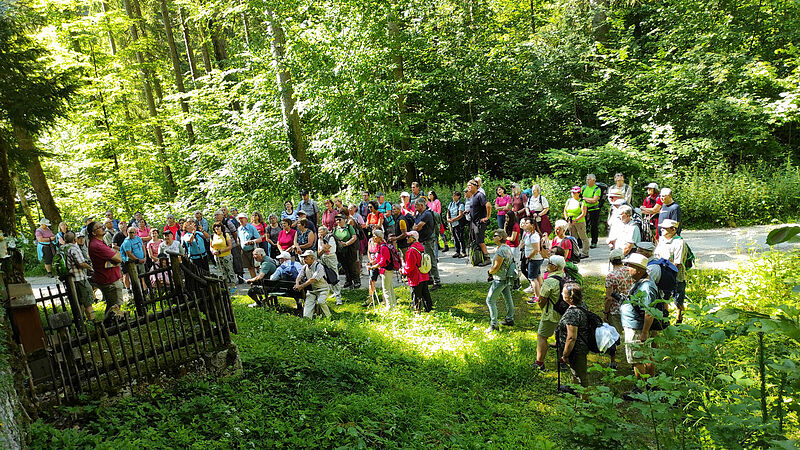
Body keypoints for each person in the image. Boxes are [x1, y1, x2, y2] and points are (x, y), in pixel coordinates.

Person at [620, 252, 659, 383]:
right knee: (646, 355)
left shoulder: (646, 287)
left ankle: (641, 389)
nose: (627, 268)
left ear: (639, 270)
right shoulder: (641, 282)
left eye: (630, 266)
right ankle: (650, 383)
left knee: (637, 359)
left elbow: (649, 312)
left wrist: (644, 332)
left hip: (637, 328)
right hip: (636, 325)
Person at [86, 221, 124, 326]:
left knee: (114, 304)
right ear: (93, 233)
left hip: (111, 277)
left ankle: (112, 323)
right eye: (99, 227)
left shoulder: (100, 242)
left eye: (102, 226)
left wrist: (115, 253)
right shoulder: (97, 245)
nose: (103, 228)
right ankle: (108, 325)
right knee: (114, 305)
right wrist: (116, 253)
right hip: (109, 279)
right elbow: (118, 258)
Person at [557, 282, 592, 389]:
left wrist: (565, 354)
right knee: (575, 370)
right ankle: (574, 389)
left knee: (581, 374)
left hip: (576, 349)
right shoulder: (582, 305)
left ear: (569, 297)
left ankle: (584, 400)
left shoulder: (572, 314)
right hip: (581, 346)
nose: (562, 294)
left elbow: (572, 337)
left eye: (563, 293)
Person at [533, 255, 566, 371]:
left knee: (542, 336)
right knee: (563, 337)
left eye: (549, 263)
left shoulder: (549, 282)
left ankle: (539, 363)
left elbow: (542, 300)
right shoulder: (565, 276)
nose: (547, 265)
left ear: (554, 267)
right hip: (564, 313)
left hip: (551, 314)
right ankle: (563, 361)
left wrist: (541, 307)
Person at [604, 248, 632, 369]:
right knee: (631, 335)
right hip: (630, 307)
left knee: (613, 335)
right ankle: (634, 361)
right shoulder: (631, 271)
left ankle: (613, 361)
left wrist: (605, 312)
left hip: (616, 309)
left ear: (611, 261)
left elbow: (609, 298)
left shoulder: (611, 276)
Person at [655, 219, 687, 323]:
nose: (662, 229)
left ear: (673, 229)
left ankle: (679, 320)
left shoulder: (679, 242)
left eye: (665, 228)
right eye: (662, 227)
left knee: (678, 300)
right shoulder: (662, 240)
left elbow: (677, 263)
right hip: (663, 275)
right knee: (664, 297)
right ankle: (665, 319)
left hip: (676, 276)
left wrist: (666, 272)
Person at [484, 229, 516, 333]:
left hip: (500, 279)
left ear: (500, 237)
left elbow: (496, 267)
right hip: (506, 277)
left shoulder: (501, 251)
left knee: (490, 300)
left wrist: (490, 272)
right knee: (508, 297)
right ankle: (510, 319)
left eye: (495, 235)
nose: (493, 237)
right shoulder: (506, 247)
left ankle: (494, 325)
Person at [63, 231, 96, 321]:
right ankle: (93, 321)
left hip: (69, 280)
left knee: (78, 301)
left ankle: (81, 321)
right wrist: (90, 268)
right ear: (75, 239)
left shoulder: (61, 248)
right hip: (79, 278)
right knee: (88, 301)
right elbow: (81, 263)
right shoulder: (73, 248)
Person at [412, 198, 442, 290]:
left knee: (431, 260)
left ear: (422, 205)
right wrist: (416, 227)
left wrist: (416, 227)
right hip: (422, 240)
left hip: (428, 240)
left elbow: (417, 227)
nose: (415, 206)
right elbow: (415, 226)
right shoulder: (418, 214)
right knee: (423, 261)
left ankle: (437, 282)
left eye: (416, 205)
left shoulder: (427, 214)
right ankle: (429, 279)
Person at [294, 250, 332, 319]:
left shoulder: (319, 266)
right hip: (312, 291)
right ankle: (307, 319)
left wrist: (301, 286)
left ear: (312, 258)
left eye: (306, 258)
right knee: (308, 304)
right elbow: (299, 276)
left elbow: (313, 279)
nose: (304, 260)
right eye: (304, 258)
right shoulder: (305, 266)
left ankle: (328, 317)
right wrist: (297, 284)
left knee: (321, 302)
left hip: (323, 289)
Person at [401, 231, 432, 312]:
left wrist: (403, 271)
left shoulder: (411, 251)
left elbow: (409, 266)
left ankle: (416, 311)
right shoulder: (420, 247)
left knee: (416, 295)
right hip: (424, 274)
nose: (406, 238)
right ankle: (429, 309)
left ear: (413, 239)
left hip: (415, 277)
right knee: (425, 294)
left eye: (408, 237)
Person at [367, 230, 396, 310]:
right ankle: (393, 304)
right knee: (389, 287)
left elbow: (383, 261)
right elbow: (379, 259)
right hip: (386, 270)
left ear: (379, 238)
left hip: (386, 270)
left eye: (374, 236)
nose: (373, 238)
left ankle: (389, 307)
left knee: (386, 289)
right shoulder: (381, 246)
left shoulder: (383, 247)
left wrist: (373, 267)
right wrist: (372, 263)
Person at [467, 179, 492, 264]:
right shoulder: (473, 196)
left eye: (469, 185)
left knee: (480, 241)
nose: (468, 187)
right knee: (476, 240)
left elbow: (488, 205)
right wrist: (468, 211)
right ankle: (478, 258)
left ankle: (487, 258)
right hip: (474, 222)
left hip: (479, 223)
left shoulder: (480, 195)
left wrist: (487, 217)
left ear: (475, 185)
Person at [317, 226, 343, 305]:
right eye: (318, 231)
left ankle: (339, 298)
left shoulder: (330, 237)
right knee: (327, 277)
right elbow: (319, 252)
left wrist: (322, 244)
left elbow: (326, 248)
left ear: (325, 231)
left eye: (321, 231)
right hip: (323, 258)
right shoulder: (320, 239)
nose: (319, 233)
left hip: (331, 258)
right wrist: (322, 245)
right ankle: (334, 292)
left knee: (334, 276)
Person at [334, 214, 360, 289]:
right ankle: (348, 280)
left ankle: (356, 281)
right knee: (344, 266)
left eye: (339, 219)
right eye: (336, 220)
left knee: (352, 265)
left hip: (350, 250)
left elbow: (354, 237)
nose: (338, 221)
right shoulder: (335, 229)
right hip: (340, 250)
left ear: (344, 220)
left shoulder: (349, 227)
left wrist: (346, 243)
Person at [563, 186, 589, 258]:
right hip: (570, 222)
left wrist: (575, 220)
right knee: (572, 238)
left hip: (580, 222)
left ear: (578, 193)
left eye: (574, 192)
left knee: (583, 237)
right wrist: (567, 219)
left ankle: (585, 253)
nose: (573, 194)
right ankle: (574, 253)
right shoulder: (569, 201)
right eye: (572, 192)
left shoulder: (582, 202)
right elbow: (565, 210)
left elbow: (583, 213)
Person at [521, 218, 544, 300]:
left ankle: (537, 297)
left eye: (527, 223)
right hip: (535, 259)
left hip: (534, 259)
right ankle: (541, 294)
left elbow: (536, 249)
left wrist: (529, 257)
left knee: (532, 278)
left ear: (532, 225)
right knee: (537, 276)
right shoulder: (529, 233)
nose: (525, 224)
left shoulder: (534, 236)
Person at [211, 223, 237, 293]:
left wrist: (220, 251)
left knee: (229, 270)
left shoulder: (226, 235)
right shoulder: (213, 236)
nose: (217, 228)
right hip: (217, 257)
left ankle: (234, 285)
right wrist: (213, 251)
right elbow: (211, 246)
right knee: (222, 272)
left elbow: (230, 246)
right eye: (215, 227)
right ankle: (225, 286)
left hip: (226, 255)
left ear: (221, 227)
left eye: (218, 227)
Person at [120, 226, 147, 293]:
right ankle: (137, 291)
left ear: (136, 232)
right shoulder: (127, 242)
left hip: (141, 260)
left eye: (133, 232)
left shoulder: (138, 238)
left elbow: (142, 247)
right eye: (130, 232)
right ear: (127, 233)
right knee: (135, 277)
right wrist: (138, 260)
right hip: (133, 262)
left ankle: (144, 290)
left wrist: (145, 257)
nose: (132, 234)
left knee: (142, 275)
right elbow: (129, 253)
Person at [236, 213, 263, 278]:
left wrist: (251, 241)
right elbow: (238, 238)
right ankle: (254, 283)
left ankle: (261, 281)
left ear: (246, 219)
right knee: (250, 267)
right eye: (239, 219)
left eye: (242, 218)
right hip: (244, 251)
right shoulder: (239, 229)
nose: (240, 220)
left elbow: (260, 239)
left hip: (253, 250)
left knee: (258, 266)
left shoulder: (252, 228)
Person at [581, 174, 603, 249]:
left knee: (594, 226)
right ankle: (582, 242)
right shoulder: (583, 188)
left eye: (589, 179)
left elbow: (594, 200)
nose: (587, 181)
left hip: (594, 210)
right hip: (584, 209)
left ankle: (594, 242)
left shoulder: (597, 189)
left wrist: (584, 198)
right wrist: (587, 199)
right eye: (587, 179)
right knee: (583, 226)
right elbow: (579, 197)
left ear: (594, 180)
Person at [446, 191, 467, 258]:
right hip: (452, 224)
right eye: (453, 195)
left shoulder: (461, 204)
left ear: (458, 196)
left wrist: (453, 220)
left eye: (455, 195)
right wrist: (448, 219)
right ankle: (457, 251)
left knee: (460, 237)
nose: (453, 197)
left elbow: (460, 215)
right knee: (455, 237)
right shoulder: (451, 204)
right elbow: (448, 212)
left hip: (458, 223)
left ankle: (463, 252)